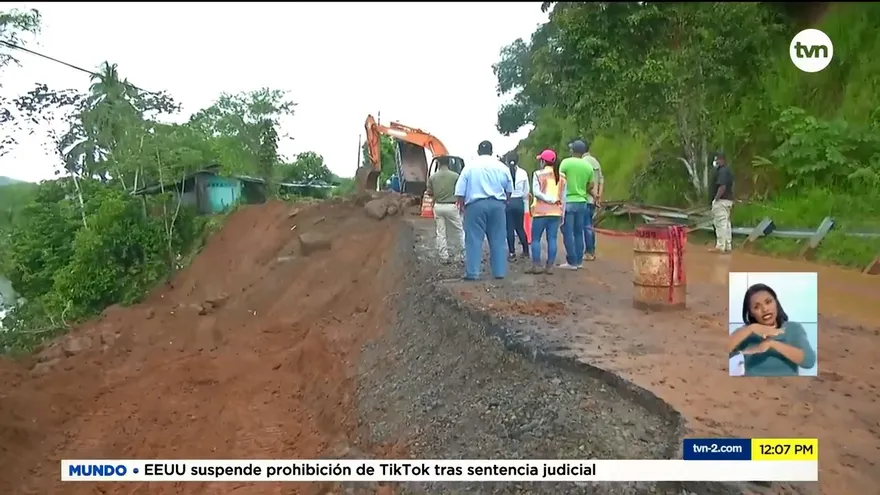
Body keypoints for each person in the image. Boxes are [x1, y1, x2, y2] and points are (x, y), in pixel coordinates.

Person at [454, 140, 513, 280]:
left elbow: (460, 192)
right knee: (498, 239)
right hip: (497, 205)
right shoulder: (502, 167)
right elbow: (509, 189)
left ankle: (472, 273)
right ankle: (499, 272)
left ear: (478, 151)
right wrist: (504, 202)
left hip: (475, 206)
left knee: (473, 239)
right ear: (492, 152)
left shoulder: (469, 167)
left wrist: (462, 207)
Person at [727, 283, 816, 377]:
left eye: (768, 302)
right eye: (757, 307)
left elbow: (809, 362)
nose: (765, 309)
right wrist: (751, 328)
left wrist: (772, 344)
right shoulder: (745, 332)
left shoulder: (793, 328)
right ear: (751, 313)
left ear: (776, 303)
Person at [557, 140, 596, 270]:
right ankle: (579, 261)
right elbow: (591, 185)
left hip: (568, 201)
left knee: (568, 232)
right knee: (579, 232)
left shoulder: (566, 163)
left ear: (572, 150)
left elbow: (560, 181)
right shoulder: (588, 166)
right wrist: (582, 189)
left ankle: (571, 261)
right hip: (582, 201)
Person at [527, 149, 564, 274]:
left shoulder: (538, 174)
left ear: (543, 161)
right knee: (552, 239)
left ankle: (536, 265)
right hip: (556, 212)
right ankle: (550, 266)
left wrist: (550, 200)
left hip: (541, 212)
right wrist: (562, 211)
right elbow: (564, 197)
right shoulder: (562, 177)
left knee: (536, 239)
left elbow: (536, 193)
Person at [426, 158, 464, 264]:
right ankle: (459, 255)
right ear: (448, 164)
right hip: (451, 206)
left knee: (441, 232)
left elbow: (429, 192)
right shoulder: (455, 176)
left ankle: (444, 256)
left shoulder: (432, 177)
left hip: (438, 206)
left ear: (438, 164)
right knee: (458, 231)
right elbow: (460, 191)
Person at [504, 152, 530, 261]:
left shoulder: (504, 172)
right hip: (519, 201)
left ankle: (512, 253)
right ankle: (526, 251)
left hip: (508, 202)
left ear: (506, 161)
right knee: (520, 227)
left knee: (509, 228)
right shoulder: (523, 173)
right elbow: (526, 191)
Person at [582, 141, 603, 262]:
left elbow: (586, 184)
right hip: (594, 200)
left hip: (586, 198)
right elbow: (601, 180)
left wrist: (594, 195)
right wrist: (599, 196)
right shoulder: (596, 162)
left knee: (586, 226)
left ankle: (589, 252)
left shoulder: (582, 163)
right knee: (590, 225)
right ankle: (592, 250)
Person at [710, 151, 734, 253]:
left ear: (722, 160)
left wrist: (716, 199)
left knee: (720, 224)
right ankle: (728, 245)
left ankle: (720, 246)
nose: (716, 162)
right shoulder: (728, 171)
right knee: (726, 224)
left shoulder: (722, 171)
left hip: (721, 201)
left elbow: (722, 186)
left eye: (717, 160)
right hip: (728, 201)